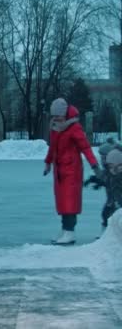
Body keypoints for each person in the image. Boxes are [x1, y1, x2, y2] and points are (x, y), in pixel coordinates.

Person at [43, 98, 102, 245]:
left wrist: (94, 165)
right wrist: (48, 162)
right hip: (60, 171)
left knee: (70, 202)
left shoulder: (74, 128)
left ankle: (70, 232)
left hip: (72, 171)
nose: (56, 118)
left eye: (58, 115)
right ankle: (65, 230)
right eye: (54, 116)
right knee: (62, 202)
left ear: (65, 114)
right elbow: (53, 148)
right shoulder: (56, 128)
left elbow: (86, 148)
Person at [84, 138, 119, 236]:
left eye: (104, 157)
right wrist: (94, 180)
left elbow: (109, 180)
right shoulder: (108, 168)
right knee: (106, 214)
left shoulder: (116, 168)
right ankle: (106, 235)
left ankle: (110, 235)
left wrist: (98, 181)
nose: (102, 160)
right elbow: (104, 178)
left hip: (116, 200)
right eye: (101, 157)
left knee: (111, 215)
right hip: (112, 200)